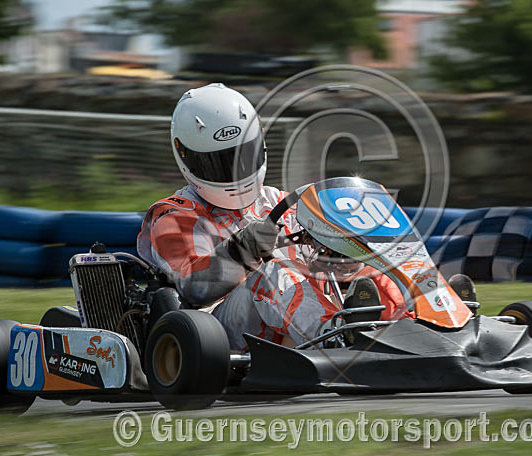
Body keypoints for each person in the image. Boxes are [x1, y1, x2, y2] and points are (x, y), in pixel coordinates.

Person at [137, 83, 406, 351]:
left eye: (243, 157)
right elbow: (193, 287)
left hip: (295, 318)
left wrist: (340, 254)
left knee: (372, 266)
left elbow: (319, 266)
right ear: (185, 156)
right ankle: (335, 342)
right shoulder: (174, 215)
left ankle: (413, 329)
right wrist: (240, 250)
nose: (234, 173)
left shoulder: (281, 202)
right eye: (217, 163)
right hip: (215, 336)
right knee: (273, 272)